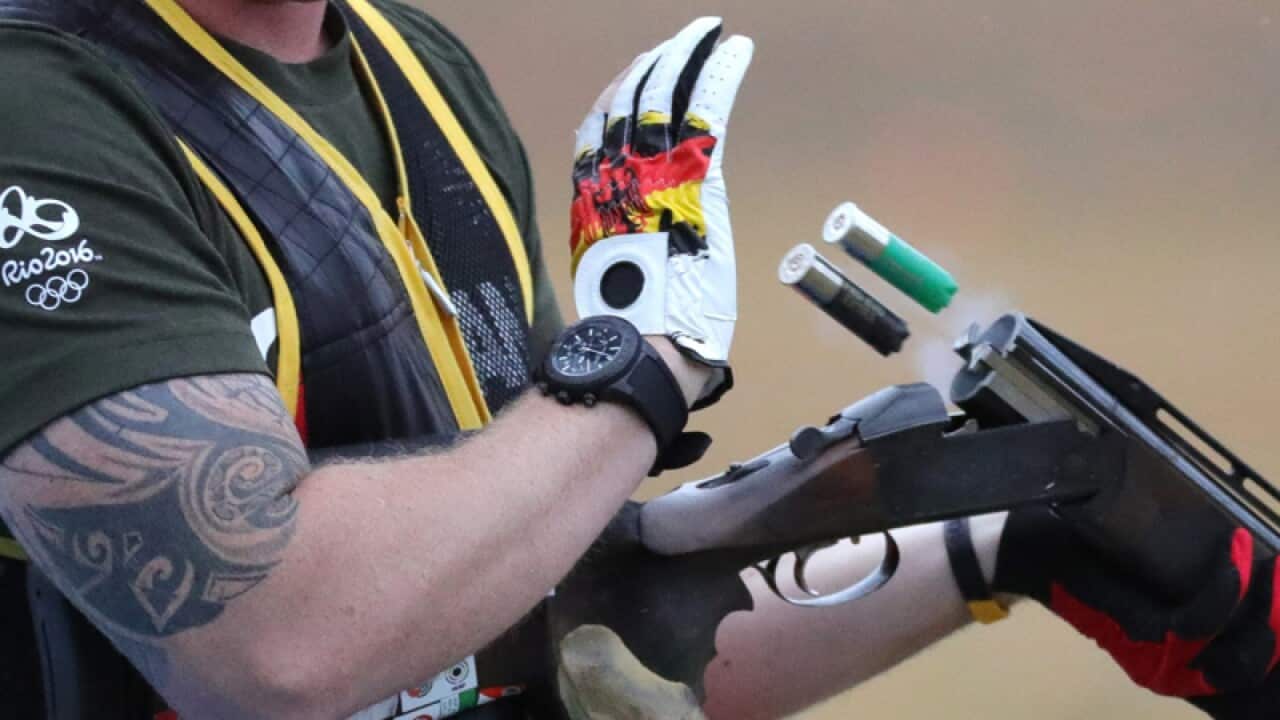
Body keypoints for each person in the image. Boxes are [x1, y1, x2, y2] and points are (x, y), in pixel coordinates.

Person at [0, 2, 1273, 719]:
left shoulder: (411, 69)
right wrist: (642, 355)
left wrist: (1000, 533)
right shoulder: (35, 109)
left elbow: (540, 628)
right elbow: (271, 645)